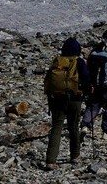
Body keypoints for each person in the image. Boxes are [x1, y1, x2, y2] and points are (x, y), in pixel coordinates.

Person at [43, 36, 90, 170]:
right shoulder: (79, 62)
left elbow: (48, 80)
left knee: (57, 127)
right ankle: (75, 156)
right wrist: (87, 92)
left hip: (56, 98)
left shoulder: (57, 61)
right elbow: (86, 79)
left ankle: (50, 160)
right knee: (73, 127)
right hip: (74, 99)